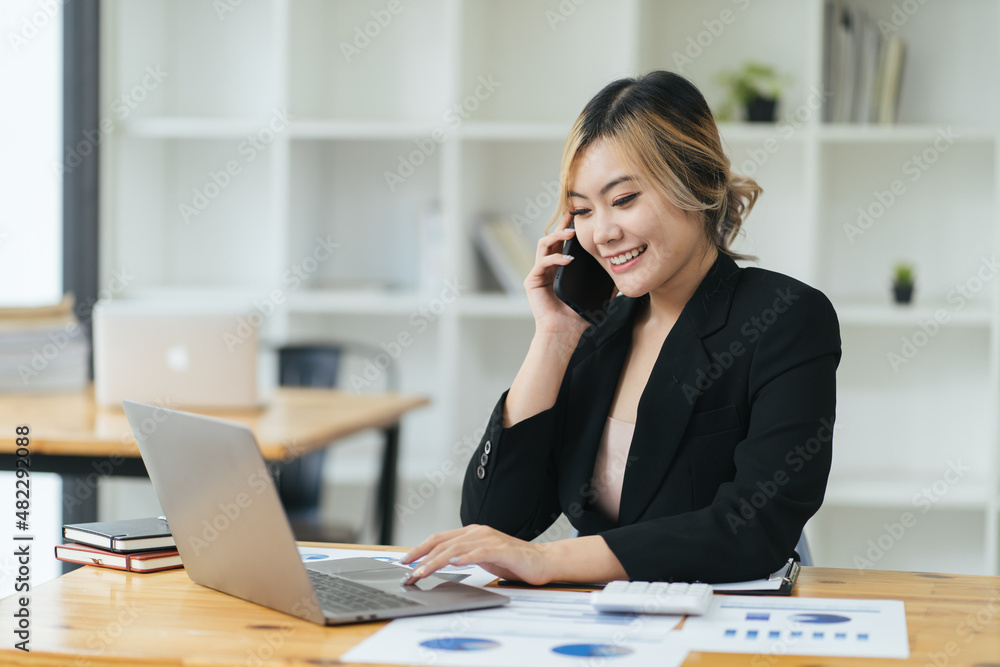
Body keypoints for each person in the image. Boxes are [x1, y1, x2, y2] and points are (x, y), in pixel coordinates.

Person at [402, 70, 841, 585]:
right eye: (582, 210)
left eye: (625, 199)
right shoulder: (596, 332)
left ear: (696, 181)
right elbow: (496, 520)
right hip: (603, 618)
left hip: (728, 614)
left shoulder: (785, 317)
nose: (603, 233)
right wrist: (553, 337)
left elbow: (753, 527)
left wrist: (548, 561)